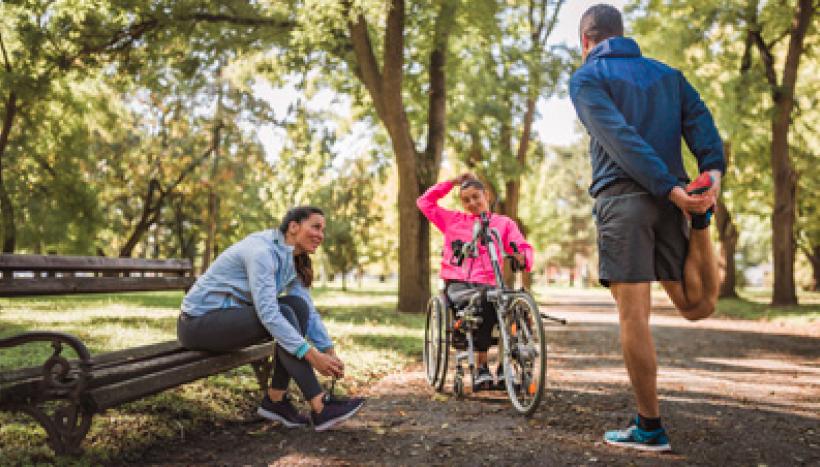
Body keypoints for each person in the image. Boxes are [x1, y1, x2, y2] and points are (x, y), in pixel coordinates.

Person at [569, 4, 725, 452]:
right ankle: (702, 221)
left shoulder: (586, 79)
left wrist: (672, 189)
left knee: (633, 315)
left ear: (586, 42)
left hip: (625, 204)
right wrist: (708, 177)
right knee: (696, 307)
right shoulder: (668, 75)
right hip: (671, 200)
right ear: (623, 33)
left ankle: (649, 428)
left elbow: (619, 138)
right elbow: (703, 126)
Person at [177, 206, 365, 431]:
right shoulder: (262, 252)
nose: (320, 235)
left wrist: (327, 348)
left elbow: (307, 309)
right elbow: (268, 313)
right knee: (283, 313)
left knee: (297, 307)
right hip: (198, 324)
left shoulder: (292, 258)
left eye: (323, 229)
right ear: (294, 227)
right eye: (315, 227)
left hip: (228, 322)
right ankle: (319, 405)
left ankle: (276, 400)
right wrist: (312, 356)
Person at [417, 173, 534, 390]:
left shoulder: (504, 223)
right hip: (459, 285)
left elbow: (523, 249)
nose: (471, 203)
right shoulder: (453, 221)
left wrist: (522, 257)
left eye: (475, 197)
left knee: (517, 304)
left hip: (492, 283)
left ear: (486, 196)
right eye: (466, 199)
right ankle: (481, 367)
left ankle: (505, 366)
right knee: (485, 301)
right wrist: (452, 183)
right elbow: (424, 202)